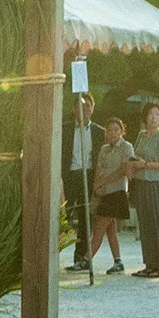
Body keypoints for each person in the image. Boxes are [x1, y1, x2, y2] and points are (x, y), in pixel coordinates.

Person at [129, 102, 159, 278]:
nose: (154, 118)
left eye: (157, 114)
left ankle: (158, 265)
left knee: (156, 223)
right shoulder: (142, 135)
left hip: (155, 183)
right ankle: (148, 263)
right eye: (151, 114)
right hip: (141, 182)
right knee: (145, 224)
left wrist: (146, 165)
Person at [63, 93, 102, 273]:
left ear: (93, 109)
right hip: (70, 175)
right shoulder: (64, 129)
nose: (85, 110)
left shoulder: (99, 132)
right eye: (81, 106)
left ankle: (80, 258)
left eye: (88, 106)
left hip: (89, 175)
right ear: (74, 109)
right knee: (63, 216)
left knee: (86, 218)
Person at [88, 118, 134, 274]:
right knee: (110, 229)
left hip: (117, 191)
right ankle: (118, 261)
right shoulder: (104, 149)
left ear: (122, 131)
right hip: (105, 192)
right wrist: (96, 186)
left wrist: (103, 182)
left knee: (100, 226)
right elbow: (99, 168)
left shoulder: (127, 147)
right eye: (109, 130)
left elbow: (122, 170)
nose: (112, 133)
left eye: (116, 129)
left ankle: (87, 259)